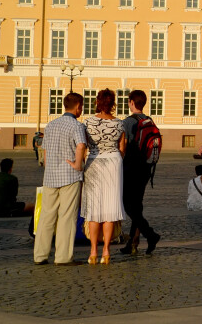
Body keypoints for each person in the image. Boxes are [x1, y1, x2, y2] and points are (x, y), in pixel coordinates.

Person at [34, 92, 89, 265]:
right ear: (78, 106)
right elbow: (81, 145)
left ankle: (40, 255)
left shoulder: (50, 125)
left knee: (46, 216)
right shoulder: (76, 126)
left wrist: (48, 167)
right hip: (69, 176)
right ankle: (63, 257)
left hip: (50, 176)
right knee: (67, 217)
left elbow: (45, 150)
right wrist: (78, 165)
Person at [81, 88, 126, 264]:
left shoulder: (88, 123)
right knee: (109, 209)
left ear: (97, 102)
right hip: (113, 164)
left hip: (94, 162)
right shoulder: (119, 124)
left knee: (94, 210)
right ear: (113, 104)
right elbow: (122, 149)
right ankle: (106, 251)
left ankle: (93, 252)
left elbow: (84, 144)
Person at [120, 89, 160, 256]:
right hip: (146, 168)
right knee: (137, 205)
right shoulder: (149, 120)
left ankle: (150, 234)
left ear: (131, 102)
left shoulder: (128, 122)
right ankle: (133, 242)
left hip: (131, 168)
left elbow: (124, 146)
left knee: (128, 205)